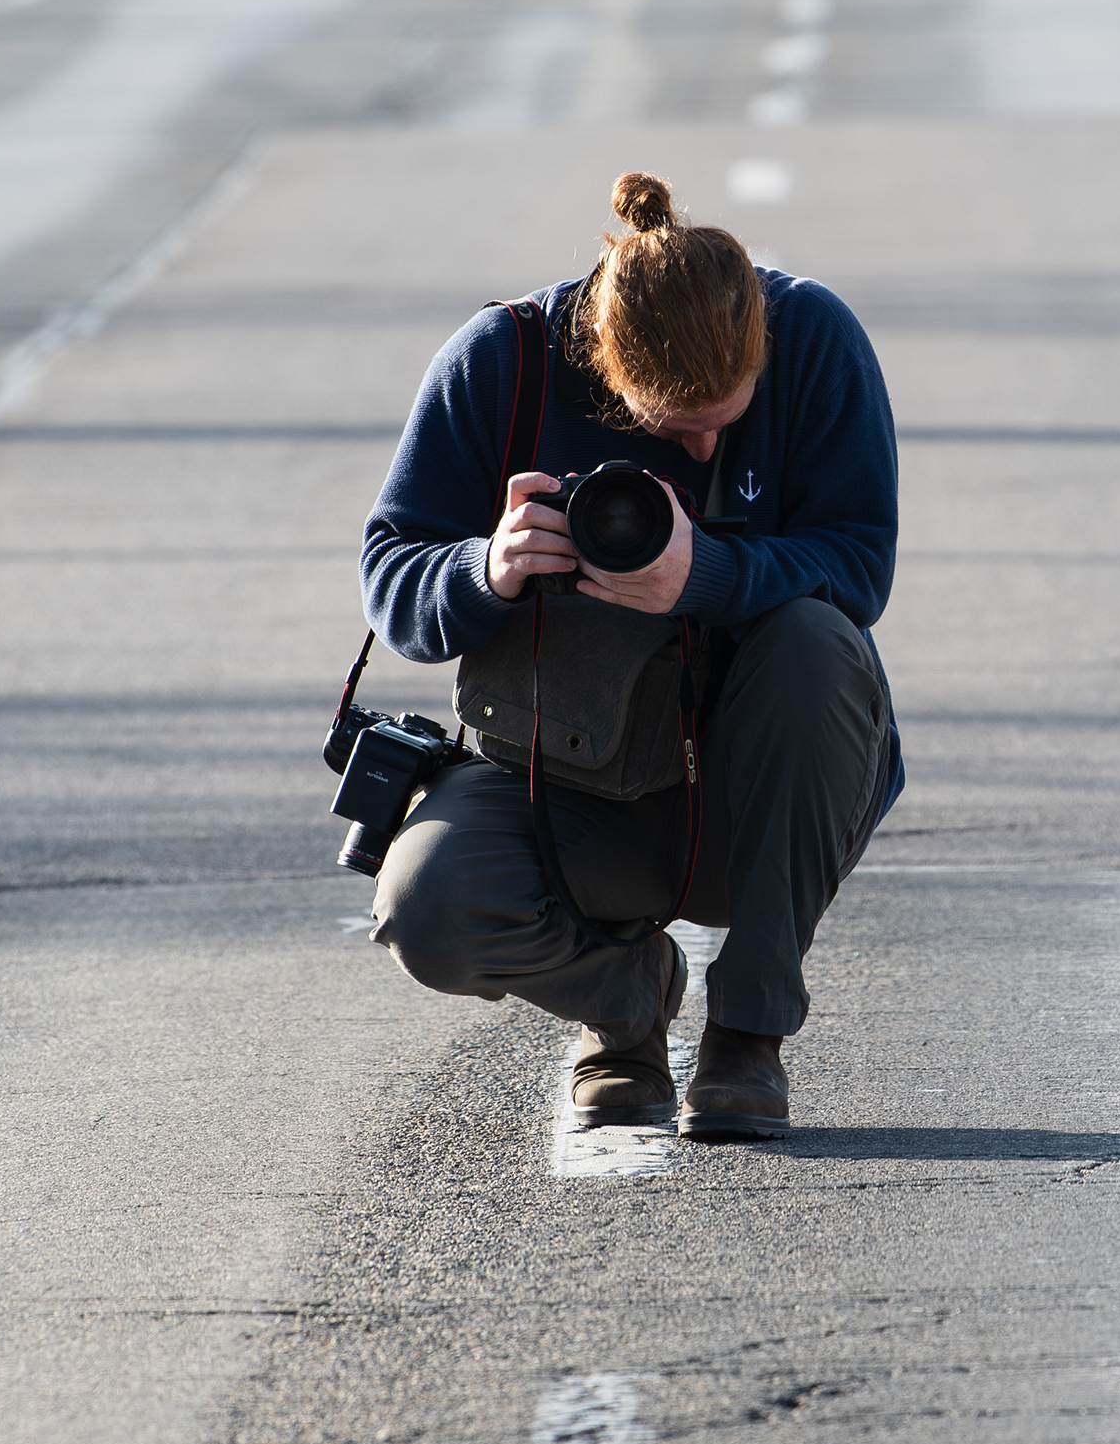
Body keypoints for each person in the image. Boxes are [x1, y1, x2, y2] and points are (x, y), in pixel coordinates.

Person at [360, 171, 898, 1140]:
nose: (698, 447)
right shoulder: (503, 361)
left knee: (820, 639)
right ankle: (625, 1003)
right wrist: (484, 567)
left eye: (722, 423)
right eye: (669, 427)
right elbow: (391, 576)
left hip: (759, 798)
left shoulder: (815, 339)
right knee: (424, 905)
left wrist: (707, 573)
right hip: (558, 786)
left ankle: (749, 1029)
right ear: (607, 368)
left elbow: (860, 565)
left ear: (761, 350)